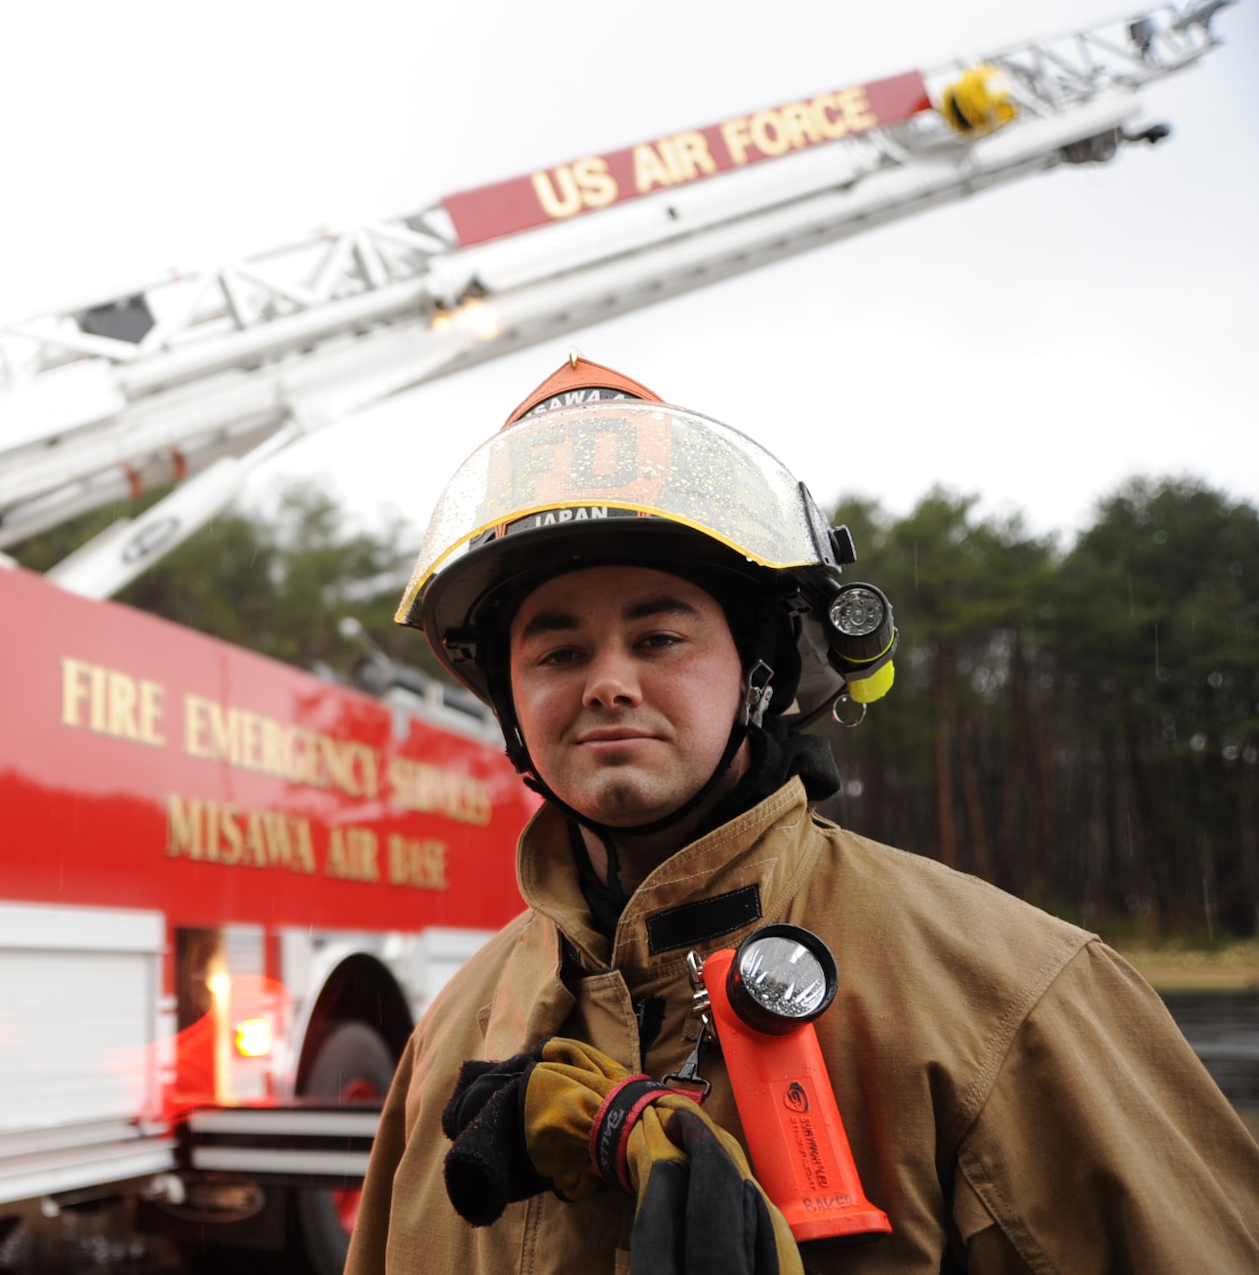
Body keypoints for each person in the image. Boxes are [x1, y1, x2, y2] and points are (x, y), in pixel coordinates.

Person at [343, 357, 1259, 1273]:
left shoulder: (1011, 998)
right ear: (509, 701)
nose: (608, 684)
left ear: (760, 669)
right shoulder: (452, 1041)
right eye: (558, 652)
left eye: (659, 638)